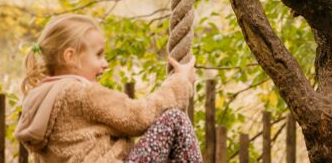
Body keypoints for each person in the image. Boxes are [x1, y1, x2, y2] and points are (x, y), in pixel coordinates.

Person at [15, 14, 201, 162]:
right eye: (98, 55)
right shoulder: (81, 93)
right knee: (174, 119)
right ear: (70, 57)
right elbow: (140, 117)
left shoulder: (39, 103)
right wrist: (180, 82)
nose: (105, 64)